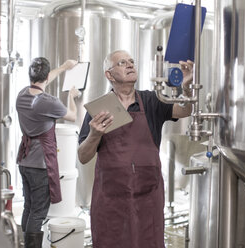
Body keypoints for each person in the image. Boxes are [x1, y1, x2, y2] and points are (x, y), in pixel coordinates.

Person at [77, 50, 194, 248]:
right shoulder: (101, 109)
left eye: (132, 61)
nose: (130, 65)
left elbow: (184, 109)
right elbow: (83, 156)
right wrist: (95, 134)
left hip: (148, 199)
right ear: (109, 74)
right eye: (122, 63)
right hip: (111, 201)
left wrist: (187, 88)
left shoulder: (152, 100)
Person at [16, 57, 80, 248]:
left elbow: (41, 82)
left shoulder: (21, 95)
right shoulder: (49, 102)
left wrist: (63, 68)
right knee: (38, 212)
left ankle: (24, 244)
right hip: (40, 164)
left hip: (24, 161)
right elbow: (73, 116)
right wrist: (71, 96)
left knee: (28, 206)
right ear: (46, 77)